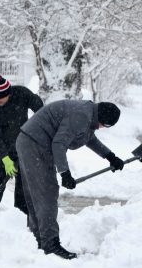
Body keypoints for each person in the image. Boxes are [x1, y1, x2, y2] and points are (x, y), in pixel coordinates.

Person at [16, 100, 124, 259]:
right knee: (46, 194)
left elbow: (88, 138)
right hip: (35, 144)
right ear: (103, 120)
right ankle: (50, 244)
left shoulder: (88, 113)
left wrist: (110, 156)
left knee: (37, 195)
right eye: (105, 126)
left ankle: (37, 241)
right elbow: (59, 144)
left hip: (29, 141)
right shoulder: (81, 116)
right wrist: (64, 173)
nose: (102, 128)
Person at [0, 74, 43, 213]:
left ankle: (21, 218)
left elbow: (40, 108)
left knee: (23, 188)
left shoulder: (21, 93)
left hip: (23, 147)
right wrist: (5, 158)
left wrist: (37, 128)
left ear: (8, 93)